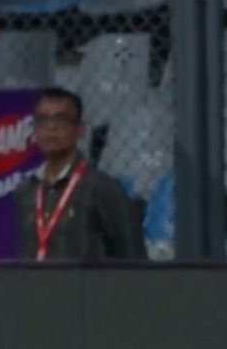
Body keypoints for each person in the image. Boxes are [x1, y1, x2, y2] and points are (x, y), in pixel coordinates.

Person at [14, 88, 145, 260]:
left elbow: (135, 258)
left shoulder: (103, 189)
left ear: (80, 130)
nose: (51, 127)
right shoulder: (25, 191)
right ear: (35, 129)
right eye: (43, 119)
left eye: (61, 119)